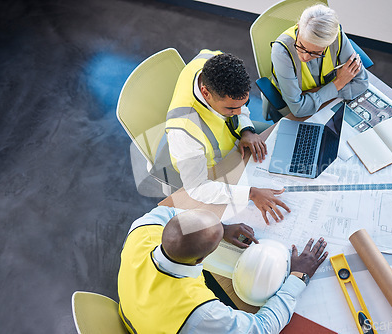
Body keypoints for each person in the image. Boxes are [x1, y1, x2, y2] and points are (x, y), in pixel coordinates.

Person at [117, 206, 328, 333]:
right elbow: (262, 329)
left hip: (132, 312)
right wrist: (298, 277)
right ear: (201, 258)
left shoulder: (141, 230)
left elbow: (168, 212)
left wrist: (221, 228)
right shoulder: (200, 312)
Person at [165, 50, 290, 224]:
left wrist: (246, 128)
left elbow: (240, 111)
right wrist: (250, 193)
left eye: (243, 104)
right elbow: (197, 188)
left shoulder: (213, 60)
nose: (239, 112)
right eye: (231, 109)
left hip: (236, 144)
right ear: (206, 92)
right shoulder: (184, 131)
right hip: (213, 169)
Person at [270, 4, 368, 119]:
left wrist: (313, 95)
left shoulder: (336, 36)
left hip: (325, 105)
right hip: (294, 113)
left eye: (316, 52)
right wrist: (338, 83)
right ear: (298, 27)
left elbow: (361, 83)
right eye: (301, 46)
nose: (305, 57)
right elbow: (298, 109)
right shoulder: (281, 51)